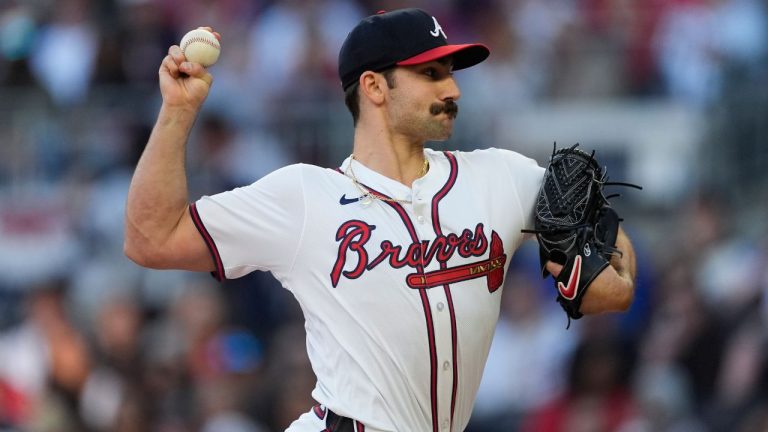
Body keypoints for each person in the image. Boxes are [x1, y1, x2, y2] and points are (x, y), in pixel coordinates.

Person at [124, 8, 637, 432]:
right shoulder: (305, 197)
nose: (452, 89)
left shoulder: (501, 178)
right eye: (431, 73)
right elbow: (151, 239)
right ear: (373, 86)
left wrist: (595, 263)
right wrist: (177, 113)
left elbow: (615, 283)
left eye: (451, 72)